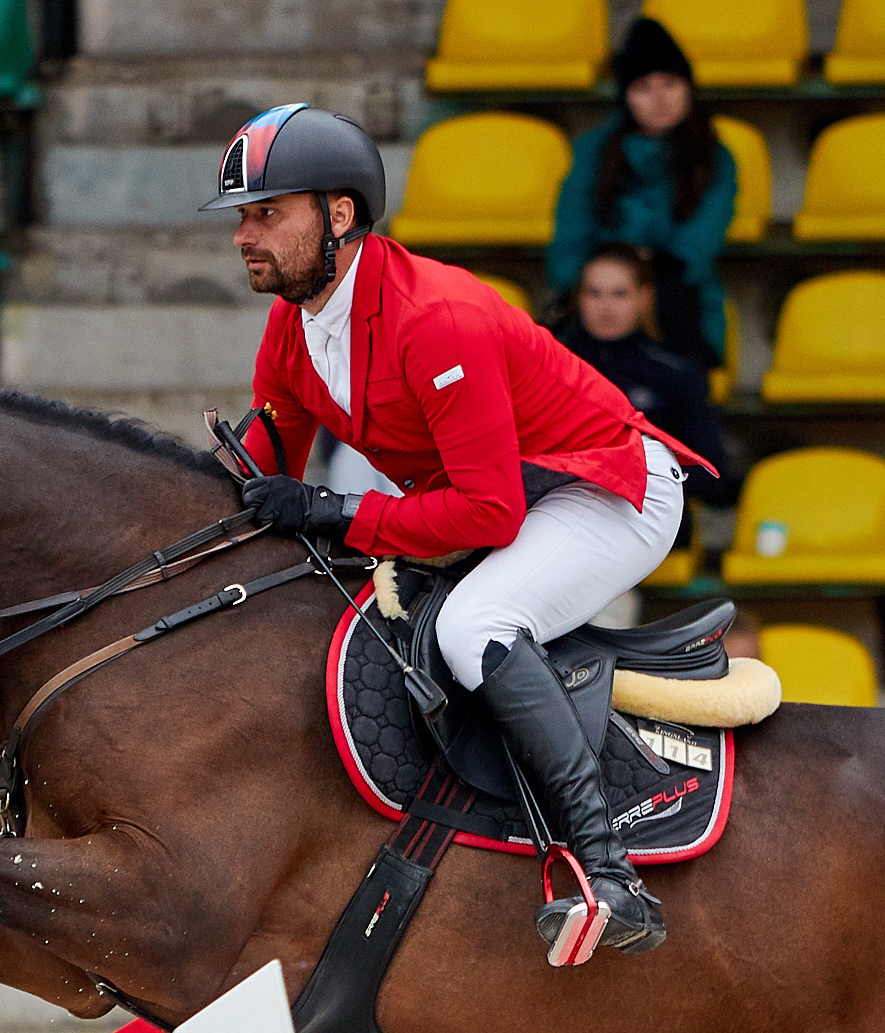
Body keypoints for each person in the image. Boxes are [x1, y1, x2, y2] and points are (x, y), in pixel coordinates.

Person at [205, 104, 713, 960]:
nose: (243, 236)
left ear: (339, 216)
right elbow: (260, 473)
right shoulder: (295, 326)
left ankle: (606, 869)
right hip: (511, 494)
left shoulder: (435, 318)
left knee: (475, 626)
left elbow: (486, 512)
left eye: (267, 213)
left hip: (609, 488)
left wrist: (337, 511)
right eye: (242, 218)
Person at [546, 18, 735, 373]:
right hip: (601, 290)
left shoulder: (714, 157)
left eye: (670, 83)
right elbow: (570, 235)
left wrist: (644, 267)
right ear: (626, 97)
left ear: (688, 88)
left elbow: (697, 244)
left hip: (678, 302)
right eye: (643, 87)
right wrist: (610, 271)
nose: (660, 99)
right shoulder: (593, 152)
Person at [551, 243, 734, 513]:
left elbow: (709, 469)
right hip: (565, 513)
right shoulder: (553, 367)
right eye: (594, 293)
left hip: (652, 518)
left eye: (619, 294)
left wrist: (636, 483)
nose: (606, 306)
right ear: (579, 298)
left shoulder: (677, 372)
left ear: (644, 297)